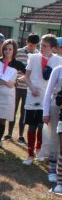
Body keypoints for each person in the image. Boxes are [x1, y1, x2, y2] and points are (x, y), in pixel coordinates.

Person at [22, 34, 61, 166]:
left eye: (45, 46)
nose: (41, 48)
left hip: (48, 99)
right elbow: (26, 77)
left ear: (53, 48)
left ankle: (39, 151)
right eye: (41, 45)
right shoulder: (33, 58)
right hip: (33, 96)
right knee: (32, 126)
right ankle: (29, 154)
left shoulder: (58, 61)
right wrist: (32, 88)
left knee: (42, 126)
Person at [0, 40, 26, 150]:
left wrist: (16, 81)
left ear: (14, 50)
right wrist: (5, 82)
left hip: (7, 95)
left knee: (2, 119)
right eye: (5, 49)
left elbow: (28, 74)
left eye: (10, 49)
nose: (7, 51)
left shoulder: (18, 64)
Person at [5, 33, 39, 143]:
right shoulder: (18, 52)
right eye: (31, 45)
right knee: (13, 110)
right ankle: (9, 133)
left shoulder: (37, 55)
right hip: (16, 86)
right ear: (26, 42)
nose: (32, 47)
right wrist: (16, 79)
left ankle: (20, 135)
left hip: (28, 88)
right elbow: (13, 66)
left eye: (35, 45)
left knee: (24, 112)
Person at [43, 64, 62, 194]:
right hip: (56, 106)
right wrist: (46, 111)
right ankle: (52, 169)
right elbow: (48, 91)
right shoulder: (58, 70)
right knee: (54, 139)